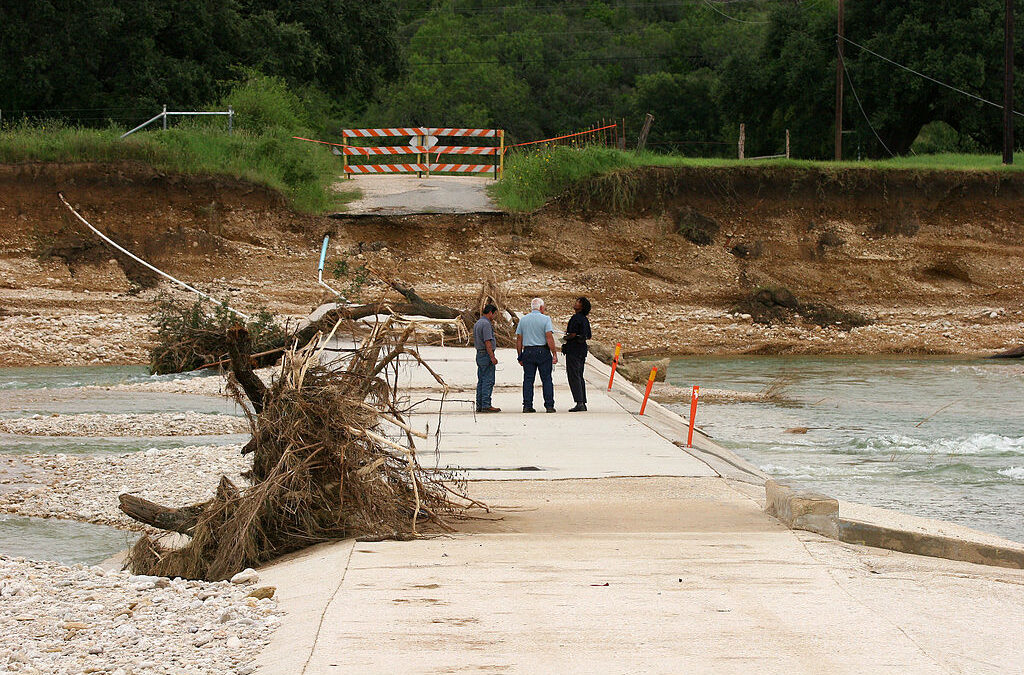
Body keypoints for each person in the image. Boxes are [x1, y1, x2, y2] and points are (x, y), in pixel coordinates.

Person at [515, 297, 558, 413]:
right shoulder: (545, 319)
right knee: (547, 379)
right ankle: (549, 405)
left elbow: (519, 339)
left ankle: (527, 405)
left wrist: (520, 355)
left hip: (528, 351)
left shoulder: (523, 320)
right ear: (541, 308)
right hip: (542, 351)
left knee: (528, 380)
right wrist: (554, 353)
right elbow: (549, 337)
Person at [562, 296, 592, 412]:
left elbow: (573, 334)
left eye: (578, 302)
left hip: (573, 349)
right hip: (582, 350)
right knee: (579, 375)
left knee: (573, 375)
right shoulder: (585, 319)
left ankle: (579, 402)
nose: (575, 303)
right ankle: (582, 401)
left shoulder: (575, 318)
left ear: (581, 306)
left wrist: (566, 337)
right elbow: (589, 335)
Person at [473, 304, 501, 413]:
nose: (494, 316)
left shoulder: (478, 323)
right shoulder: (486, 324)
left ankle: (480, 404)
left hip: (479, 354)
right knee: (488, 380)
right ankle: (486, 404)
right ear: (490, 313)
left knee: (481, 380)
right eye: (494, 314)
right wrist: (492, 357)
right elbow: (487, 342)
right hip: (485, 354)